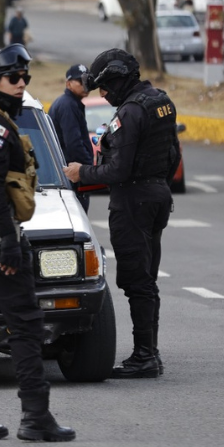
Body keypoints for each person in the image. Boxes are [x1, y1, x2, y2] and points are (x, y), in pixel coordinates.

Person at [0, 44, 75, 443]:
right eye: (14, 78)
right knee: (25, 321)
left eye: (26, 78)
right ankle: (36, 416)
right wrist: (7, 240)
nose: (22, 85)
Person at [63, 49, 179, 379]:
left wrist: (81, 172)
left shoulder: (129, 112)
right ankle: (148, 353)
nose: (102, 94)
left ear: (116, 80)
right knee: (146, 278)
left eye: (104, 87)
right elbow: (172, 155)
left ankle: (145, 356)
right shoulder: (160, 101)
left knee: (136, 280)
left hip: (134, 202)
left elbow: (117, 169)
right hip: (157, 196)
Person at [47, 64, 94, 212]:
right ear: (68, 83)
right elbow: (73, 144)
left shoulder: (71, 103)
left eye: (88, 81)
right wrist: (88, 168)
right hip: (71, 175)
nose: (85, 85)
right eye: (81, 82)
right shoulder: (68, 105)